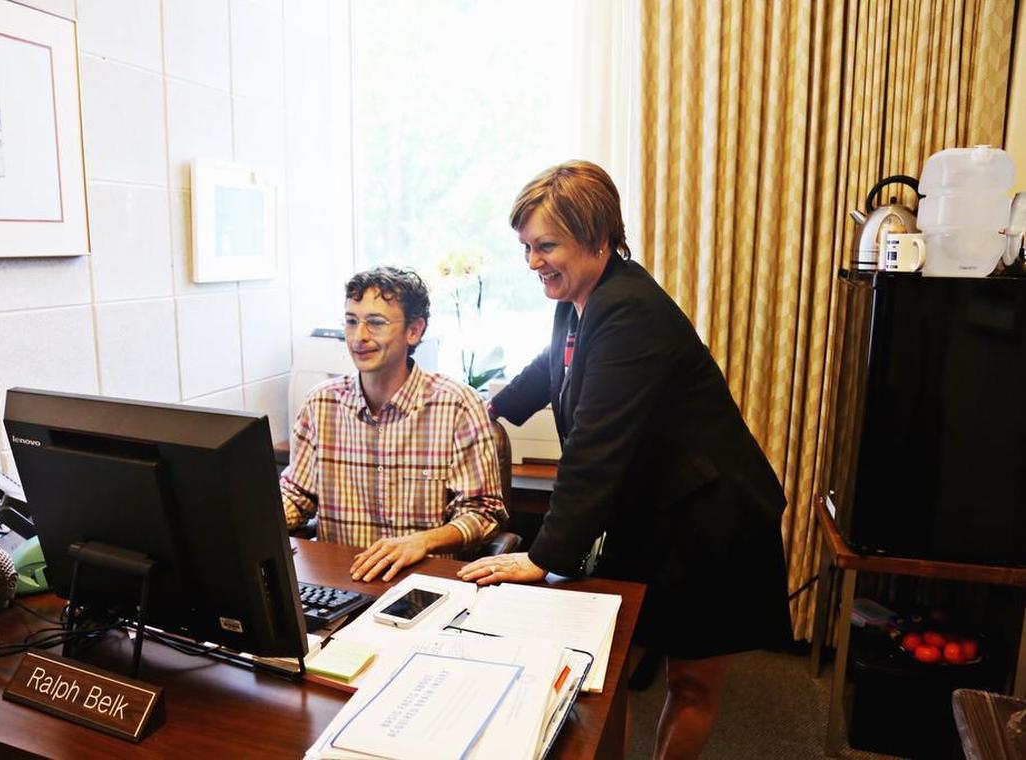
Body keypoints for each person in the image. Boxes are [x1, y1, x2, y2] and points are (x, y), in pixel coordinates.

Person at [457, 161, 791, 759]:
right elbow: (552, 367)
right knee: (604, 666)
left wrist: (543, 557)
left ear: (599, 238)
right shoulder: (579, 298)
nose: (533, 262)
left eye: (546, 246)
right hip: (654, 512)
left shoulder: (630, 310)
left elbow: (595, 447)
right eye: (526, 247)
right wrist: (489, 407)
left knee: (689, 681)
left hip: (710, 520)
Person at [281, 266, 507, 583]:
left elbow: (484, 514)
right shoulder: (320, 404)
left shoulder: (456, 404)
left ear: (413, 331)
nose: (359, 337)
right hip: (343, 581)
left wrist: (423, 541)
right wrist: (250, 519)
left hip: (425, 583)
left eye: (375, 323)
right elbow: (296, 495)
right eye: (351, 321)